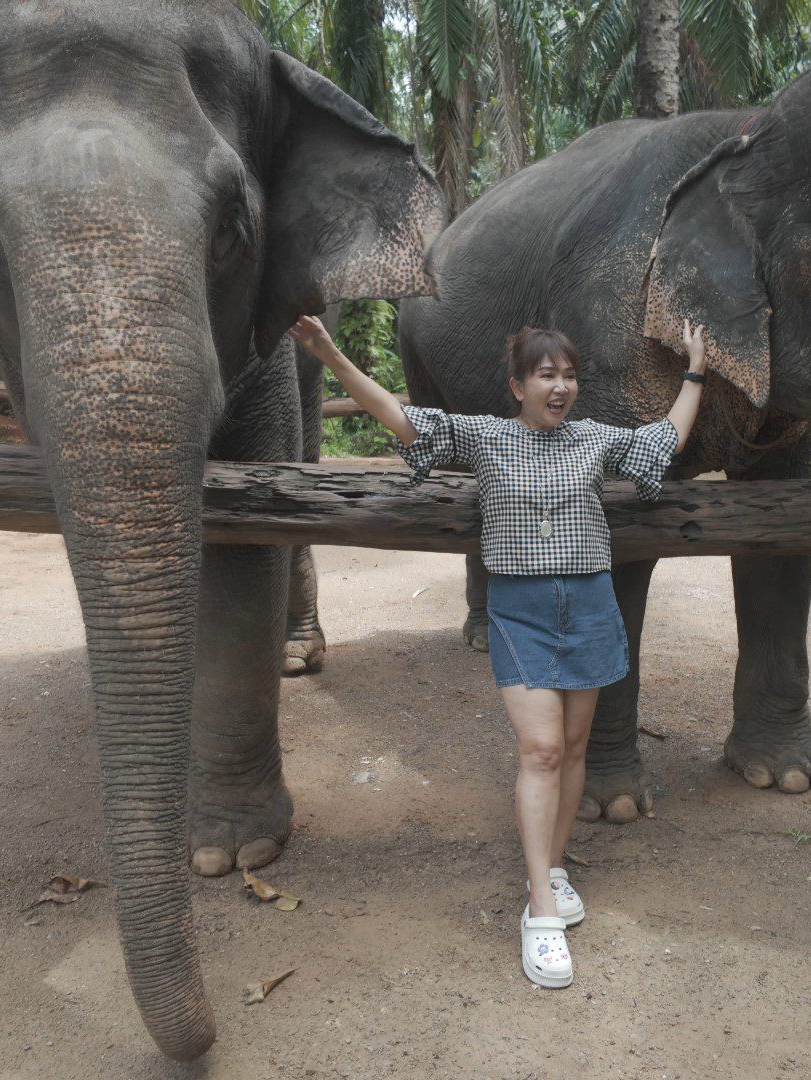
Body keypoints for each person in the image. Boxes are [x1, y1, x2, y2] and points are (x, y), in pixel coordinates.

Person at [289, 314, 706, 989]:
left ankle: (557, 866)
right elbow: (399, 417)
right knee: (540, 749)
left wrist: (695, 372)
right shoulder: (484, 437)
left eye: (569, 375)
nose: (562, 386)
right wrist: (333, 356)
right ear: (517, 385)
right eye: (547, 375)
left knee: (573, 749)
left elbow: (663, 440)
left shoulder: (594, 440)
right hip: (523, 611)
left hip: (592, 604)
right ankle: (540, 910)